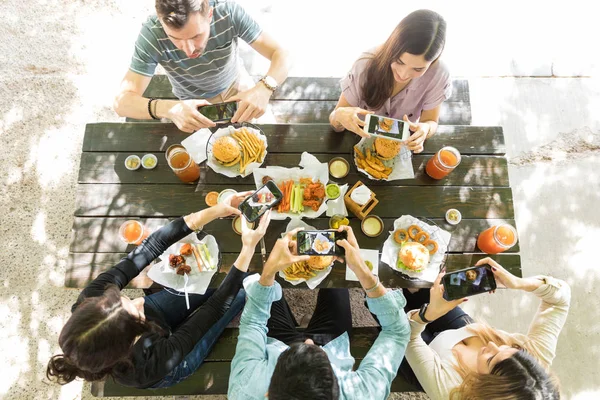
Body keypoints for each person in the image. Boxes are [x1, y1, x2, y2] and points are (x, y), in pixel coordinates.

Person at [46, 193, 272, 389]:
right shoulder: (149, 365)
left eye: (127, 300)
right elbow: (215, 308)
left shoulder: (92, 298)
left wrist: (216, 210)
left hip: (154, 332)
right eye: (136, 313)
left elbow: (149, 247)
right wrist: (249, 247)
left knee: (205, 283)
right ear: (128, 343)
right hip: (174, 365)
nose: (141, 302)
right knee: (245, 289)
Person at [228, 225, 410, 400]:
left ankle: (295, 323)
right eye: (315, 348)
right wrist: (362, 270)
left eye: (306, 343)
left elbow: (253, 323)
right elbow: (397, 331)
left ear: (268, 394)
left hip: (275, 343)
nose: (308, 341)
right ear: (337, 388)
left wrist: (268, 273)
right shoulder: (362, 393)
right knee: (337, 288)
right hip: (333, 345)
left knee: (262, 289)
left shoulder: (245, 388)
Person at [402, 258, 570, 399]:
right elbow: (560, 301)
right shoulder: (535, 359)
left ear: (488, 387)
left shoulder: (452, 392)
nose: (490, 345)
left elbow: (407, 337)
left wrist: (428, 314)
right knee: (426, 281)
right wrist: (519, 283)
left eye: (490, 360)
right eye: (512, 349)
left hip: (423, 358)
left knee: (388, 309)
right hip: (460, 331)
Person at [114, 0, 291, 132]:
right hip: (192, 103)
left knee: (268, 133)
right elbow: (121, 103)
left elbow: (282, 54)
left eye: (196, 36)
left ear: (209, 14)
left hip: (237, 85)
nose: (188, 50)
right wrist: (170, 108)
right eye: (175, 38)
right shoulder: (151, 36)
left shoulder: (228, 12)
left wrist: (264, 88)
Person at [329, 9, 450, 153]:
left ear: (432, 62)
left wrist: (426, 129)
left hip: (400, 145)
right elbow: (336, 125)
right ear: (392, 47)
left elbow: (431, 121)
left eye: (418, 69)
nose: (403, 74)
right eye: (399, 61)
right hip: (356, 137)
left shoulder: (438, 74)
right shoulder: (365, 65)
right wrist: (338, 116)